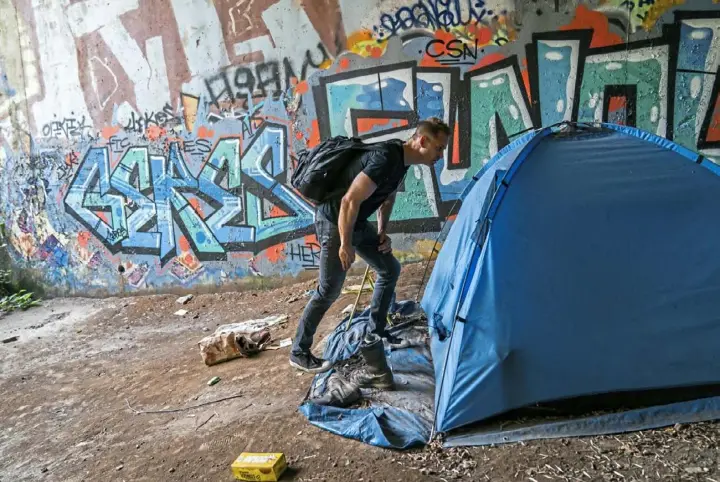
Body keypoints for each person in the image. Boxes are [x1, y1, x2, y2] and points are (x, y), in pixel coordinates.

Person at [289, 117, 451, 373]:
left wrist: (383, 231)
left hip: (358, 221)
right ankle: (299, 351)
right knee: (329, 290)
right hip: (335, 221)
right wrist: (345, 244)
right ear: (422, 141)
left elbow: (386, 198)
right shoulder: (386, 156)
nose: (441, 155)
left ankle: (374, 335)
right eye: (439, 148)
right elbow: (349, 201)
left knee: (389, 269)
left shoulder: (401, 160)